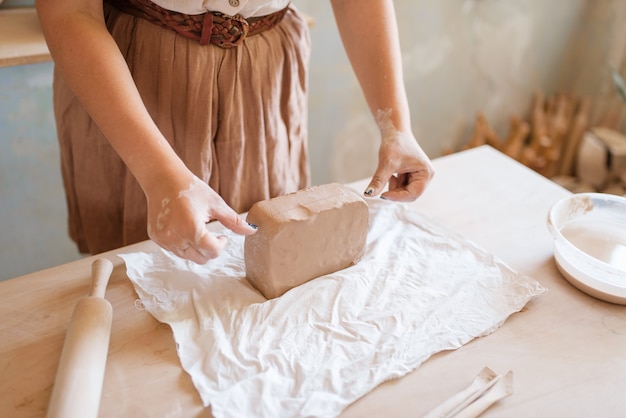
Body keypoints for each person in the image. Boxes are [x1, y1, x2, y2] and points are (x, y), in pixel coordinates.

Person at [35, 0, 434, 264]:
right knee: (137, 274)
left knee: (267, 251)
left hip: (265, 74)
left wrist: (396, 125)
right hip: (132, 74)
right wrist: (160, 177)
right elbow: (69, 11)